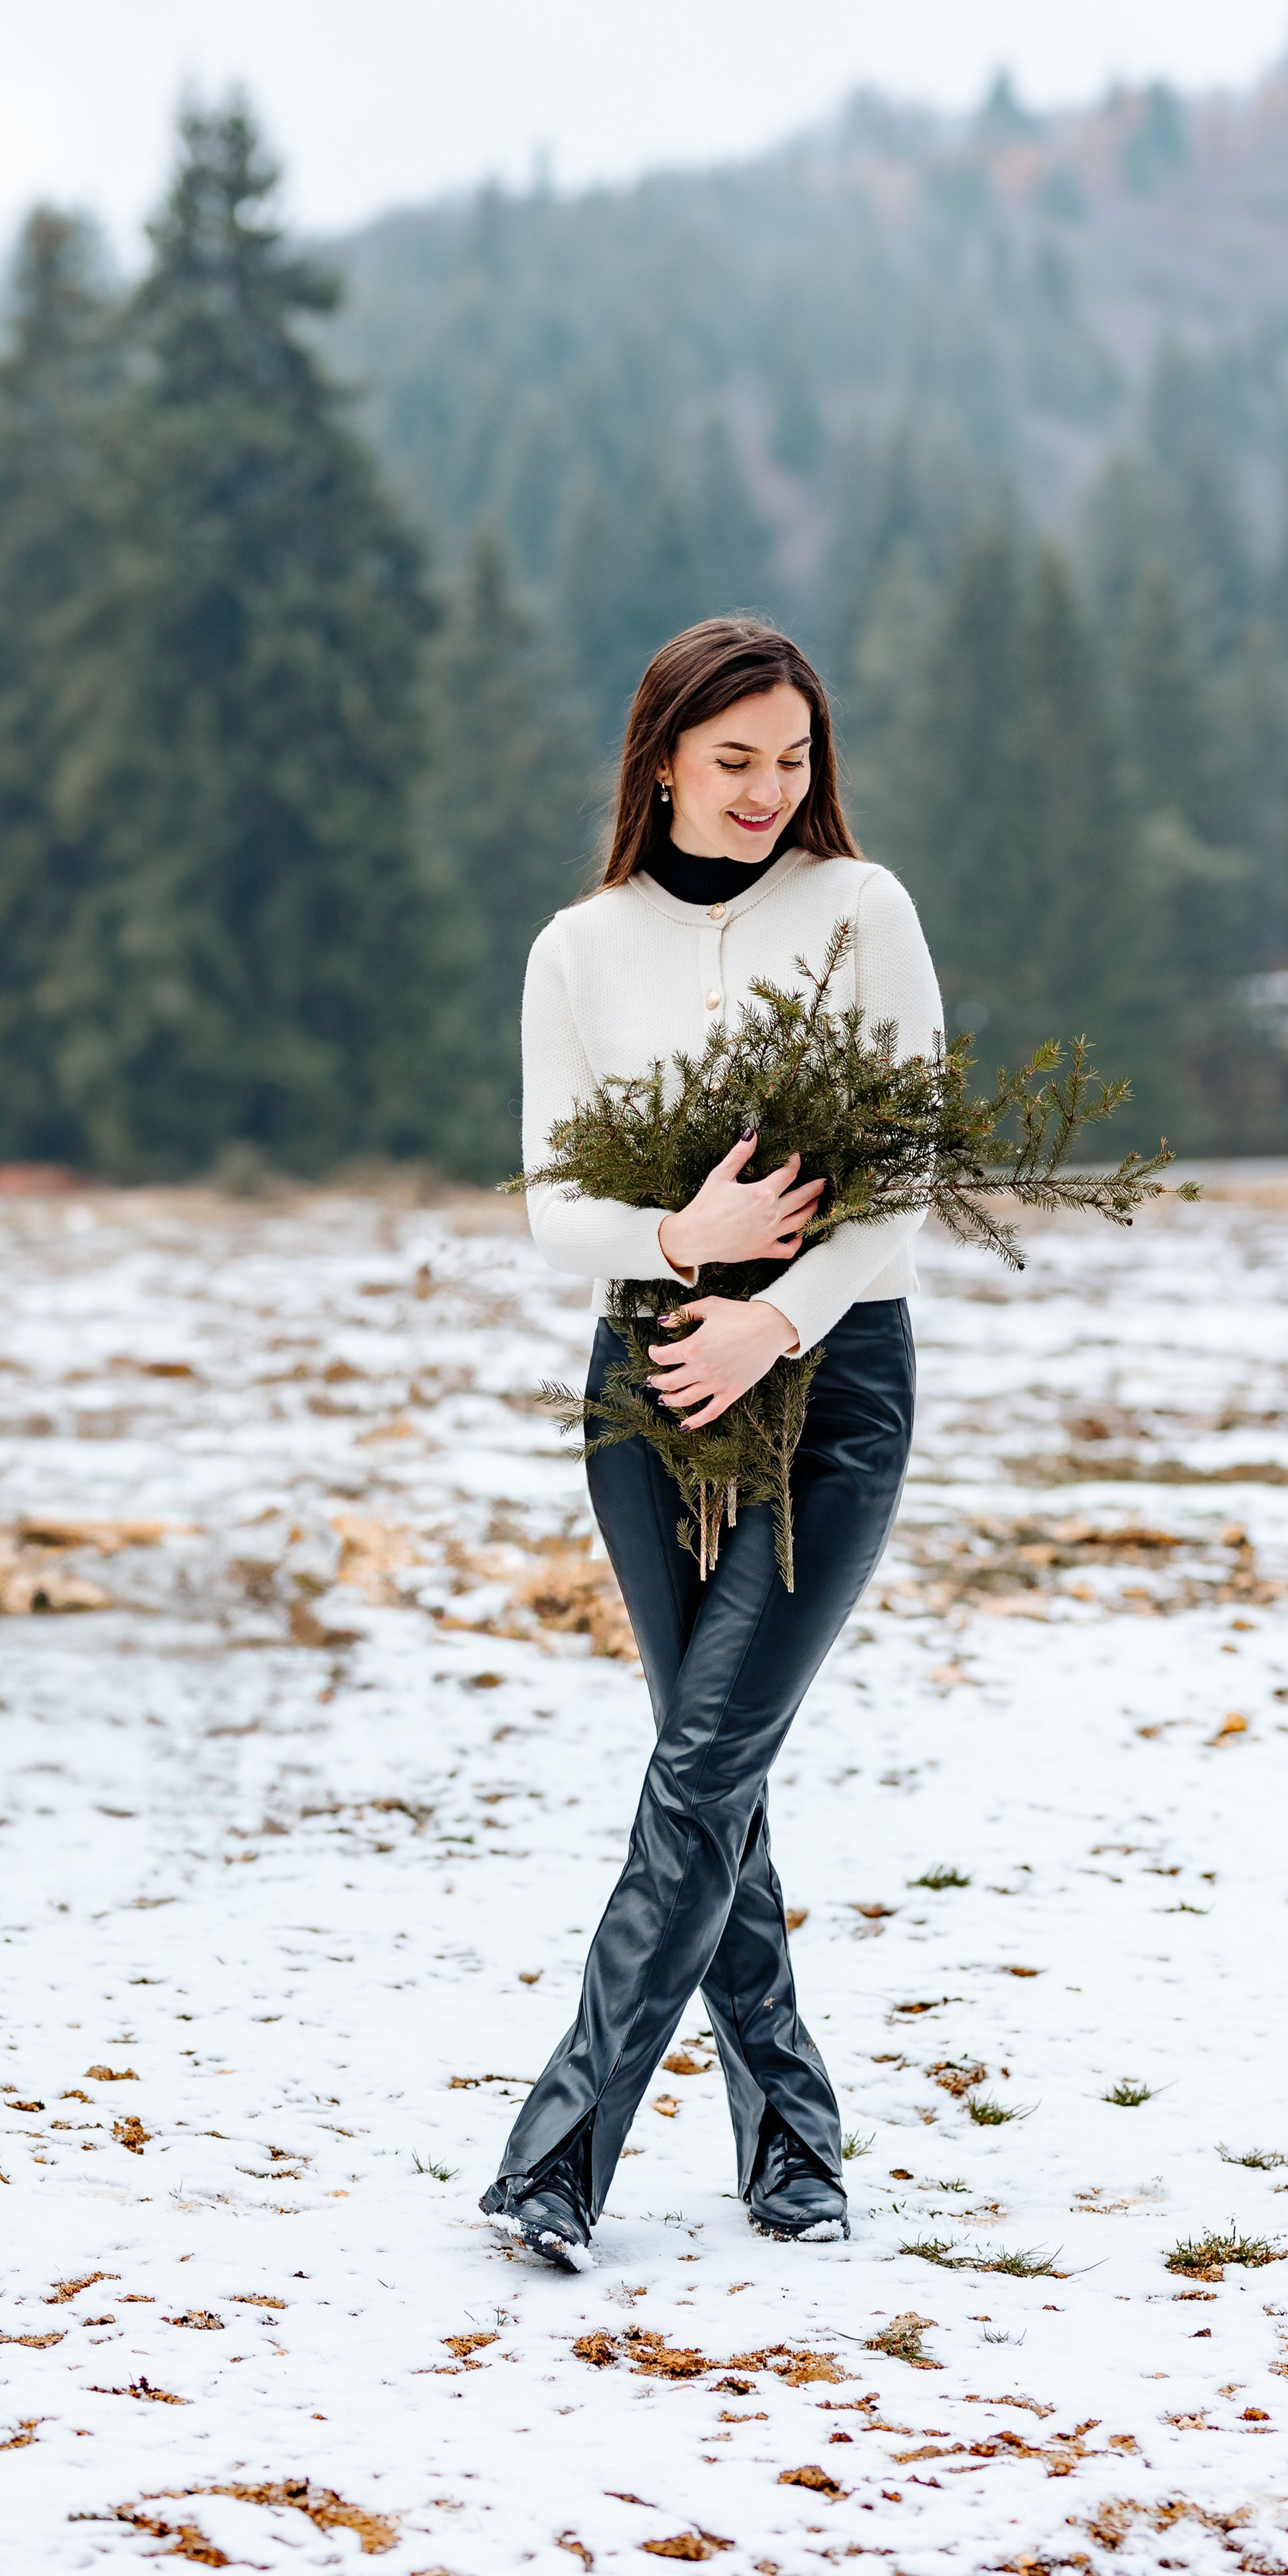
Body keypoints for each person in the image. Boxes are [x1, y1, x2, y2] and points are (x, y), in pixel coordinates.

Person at [480, 615, 943, 2268]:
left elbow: (905, 1173)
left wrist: (777, 1312)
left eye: (792, 761)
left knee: (696, 1769)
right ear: (660, 757)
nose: (765, 793)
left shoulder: (858, 909)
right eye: (733, 759)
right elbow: (556, 1213)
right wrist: (682, 1248)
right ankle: (792, 2139)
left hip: (831, 1387)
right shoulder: (574, 948)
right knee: (713, 1765)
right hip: (649, 1390)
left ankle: (554, 2157)